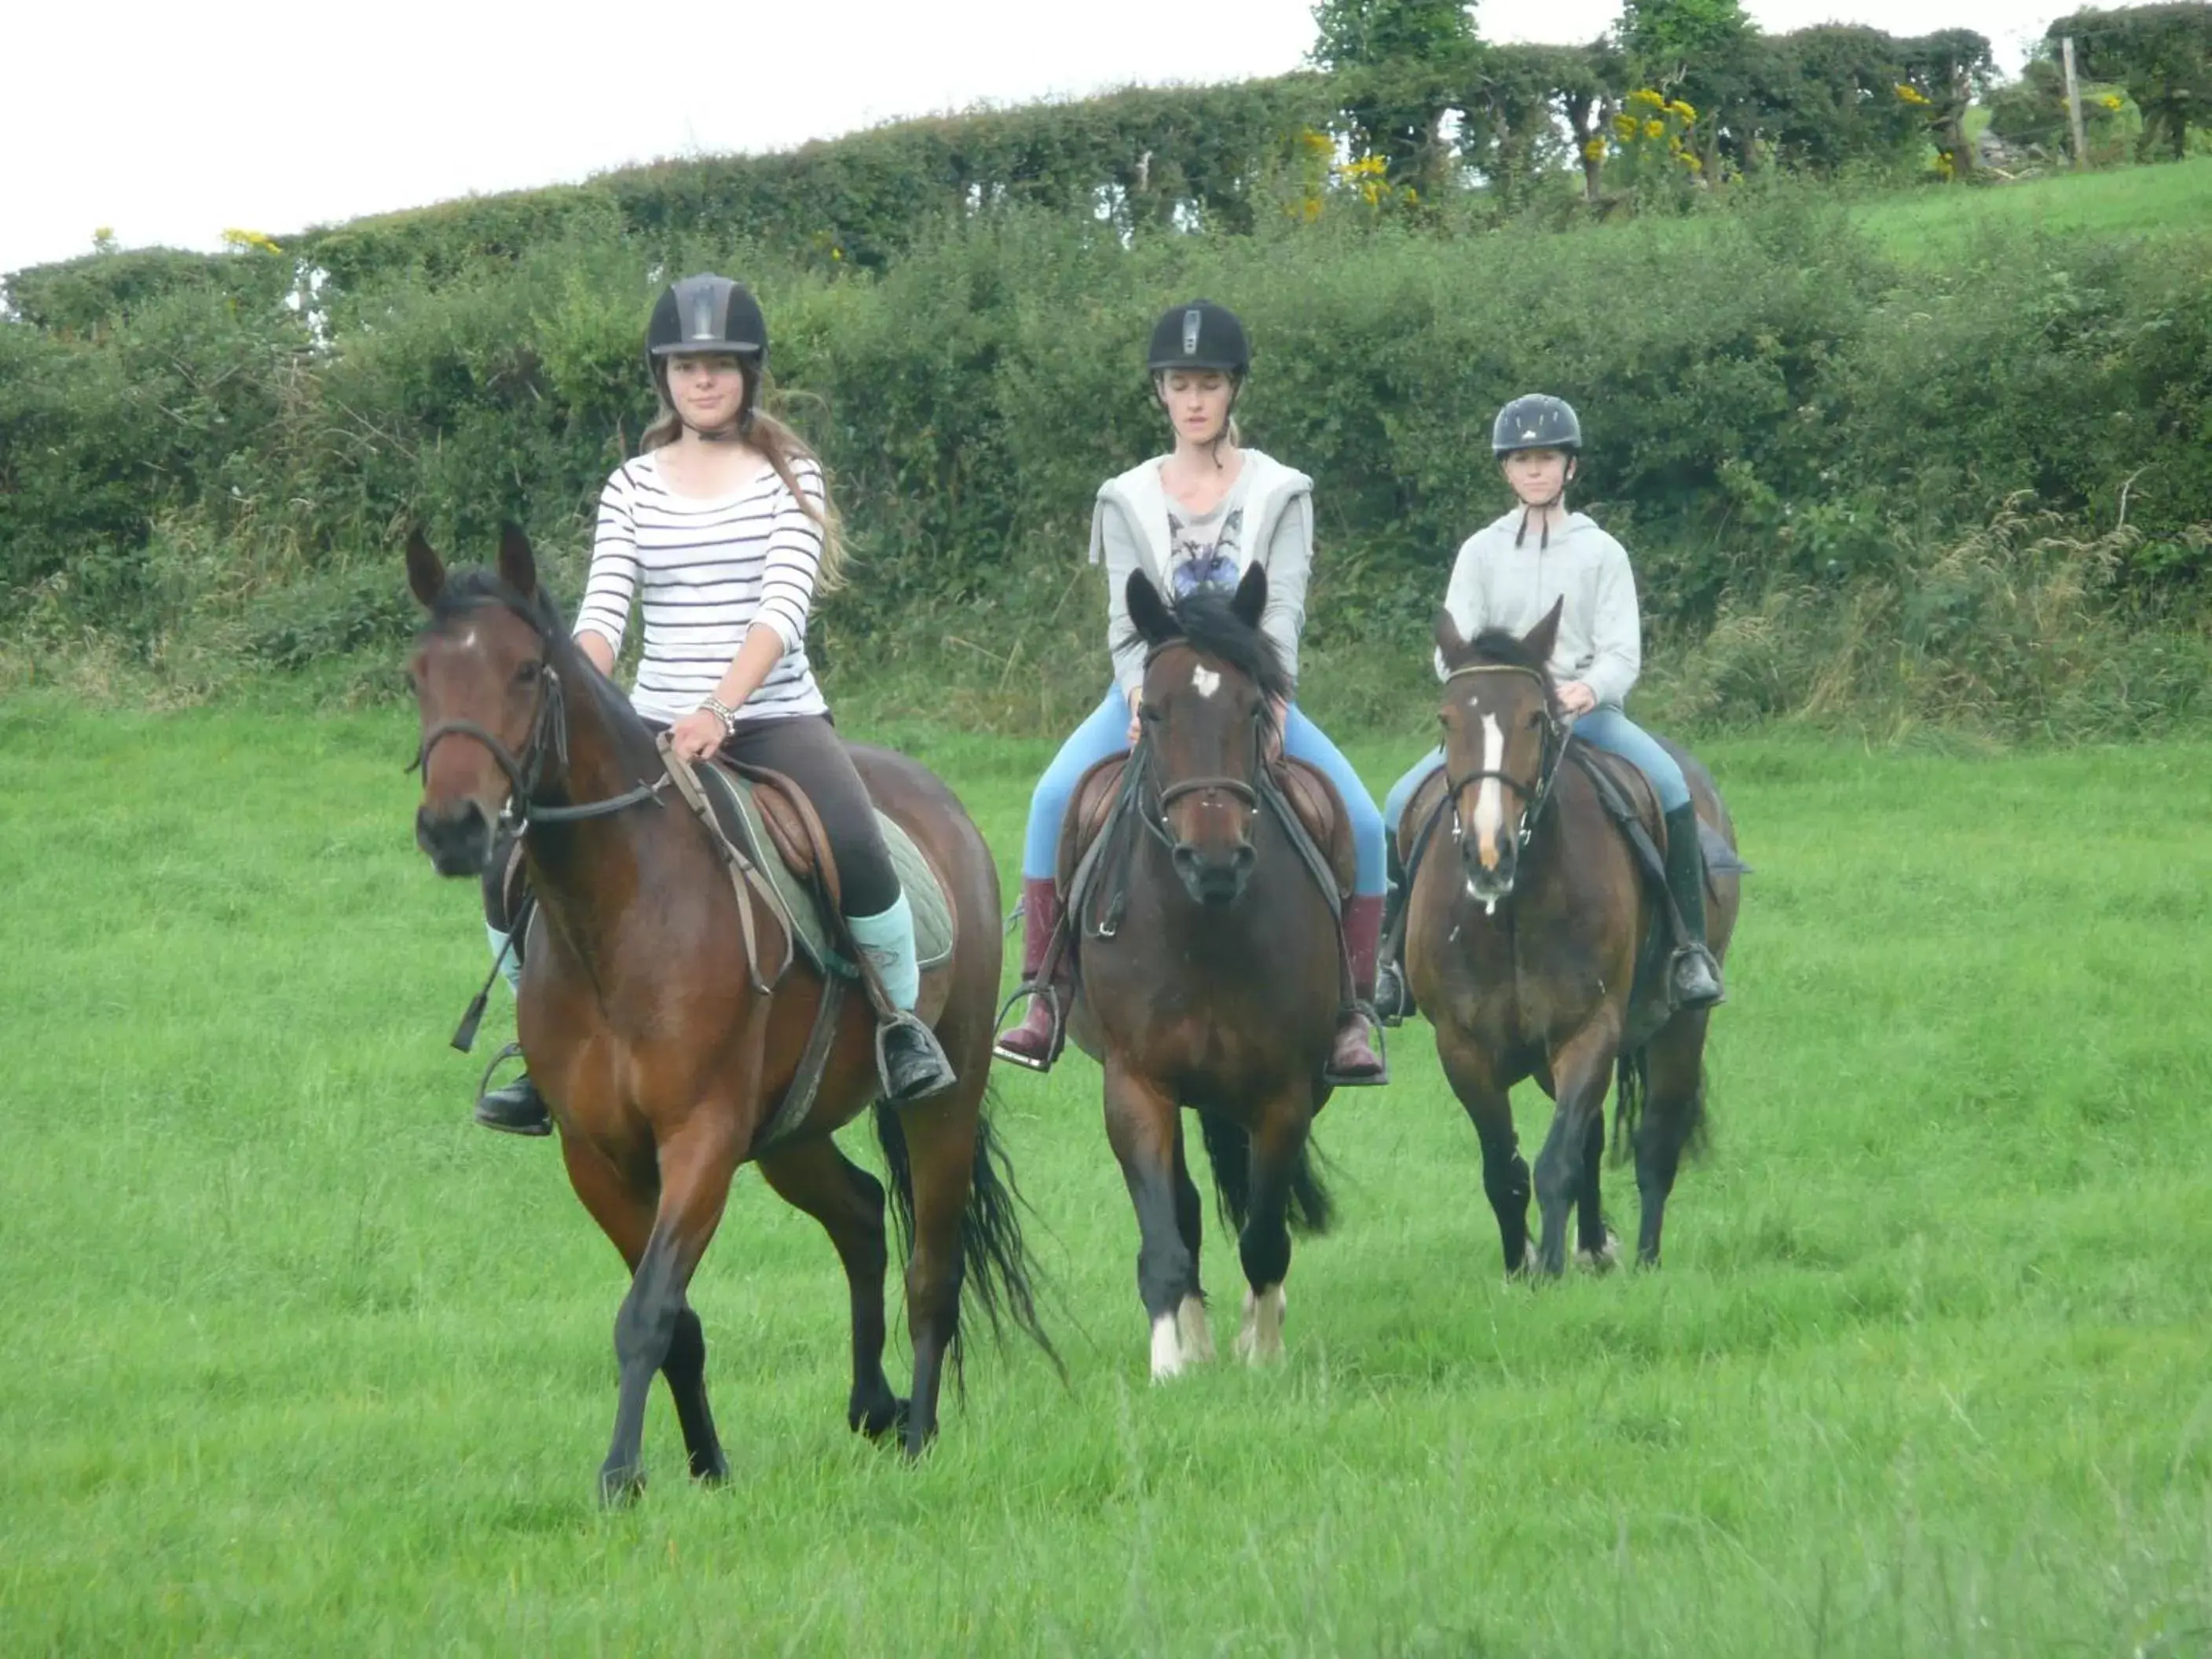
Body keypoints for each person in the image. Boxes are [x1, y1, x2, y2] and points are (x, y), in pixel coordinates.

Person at [471, 273, 956, 1134]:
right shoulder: (630, 486)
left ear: (749, 375)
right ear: (663, 376)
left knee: (854, 843)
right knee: (511, 860)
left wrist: (721, 711)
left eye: (721, 366)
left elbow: (780, 609)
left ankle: (898, 1026)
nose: (704, 381)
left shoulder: (788, 476)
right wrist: (575, 692)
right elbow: (603, 614)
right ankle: (539, 1052)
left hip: (770, 718)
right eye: (687, 365)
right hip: (649, 721)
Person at [991, 298, 1390, 1086]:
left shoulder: (1280, 492)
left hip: (1248, 699)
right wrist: (1140, 704)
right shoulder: (1124, 497)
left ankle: (1350, 1009)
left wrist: (1273, 709)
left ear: (1233, 389)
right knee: (1047, 802)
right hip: (1153, 697)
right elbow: (1121, 620)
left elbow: (1281, 612)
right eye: (1179, 384)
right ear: (1160, 394)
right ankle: (1043, 995)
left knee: (1369, 825)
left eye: (1208, 383)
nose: (1195, 399)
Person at [1372, 393, 1726, 1023]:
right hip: (1497, 721)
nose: (1535, 470)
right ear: (1506, 470)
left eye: (1547, 458)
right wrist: (1483, 689)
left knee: (1671, 785)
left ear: (1571, 468)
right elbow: (1450, 651)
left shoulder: (1601, 553)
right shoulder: (1480, 551)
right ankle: (1389, 962)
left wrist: (1588, 689)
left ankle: (1687, 948)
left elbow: (1622, 651)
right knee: (1400, 802)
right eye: (1522, 460)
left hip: (1581, 711)